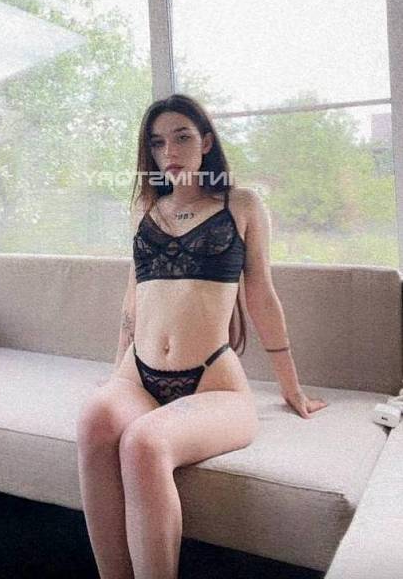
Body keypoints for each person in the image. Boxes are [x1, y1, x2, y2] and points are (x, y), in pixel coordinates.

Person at [76, 93, 328, 579]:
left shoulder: (242, 204)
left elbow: (262, 297)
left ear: (206, 142)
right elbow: (133, 300)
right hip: (138, 375)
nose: (169, 151)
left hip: (213, 381)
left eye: (182, 137)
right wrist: (115, 377)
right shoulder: (145, 209)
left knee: (144, 444)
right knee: (94, 421)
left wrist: (291, 388)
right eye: (157, 143)